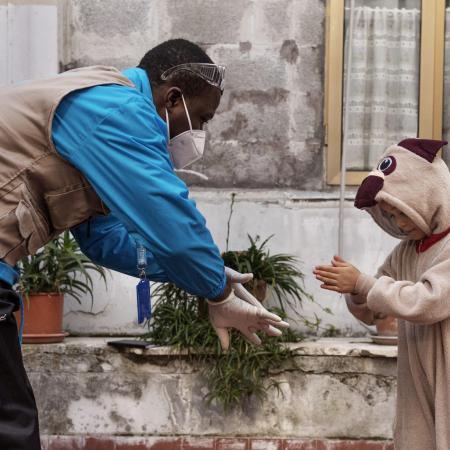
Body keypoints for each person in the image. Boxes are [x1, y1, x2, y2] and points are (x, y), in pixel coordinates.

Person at [0, 38, 288, 450]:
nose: (201, 133)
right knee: (10, 427)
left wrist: (208, 277)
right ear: (173, 99)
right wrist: (217, 290)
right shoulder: (119, 111)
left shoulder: (102, 119)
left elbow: (106, 239)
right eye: (202, 119)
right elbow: (170, 219)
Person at [313, 138, 450, 450]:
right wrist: (356, 294)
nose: (399, 223)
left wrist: (363, 285)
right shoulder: (407, 251)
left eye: (403, 211)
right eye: (390, 215)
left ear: (428, 194)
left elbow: (427, 300)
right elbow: (378, 304)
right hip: (418, 376)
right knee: (419, 438)